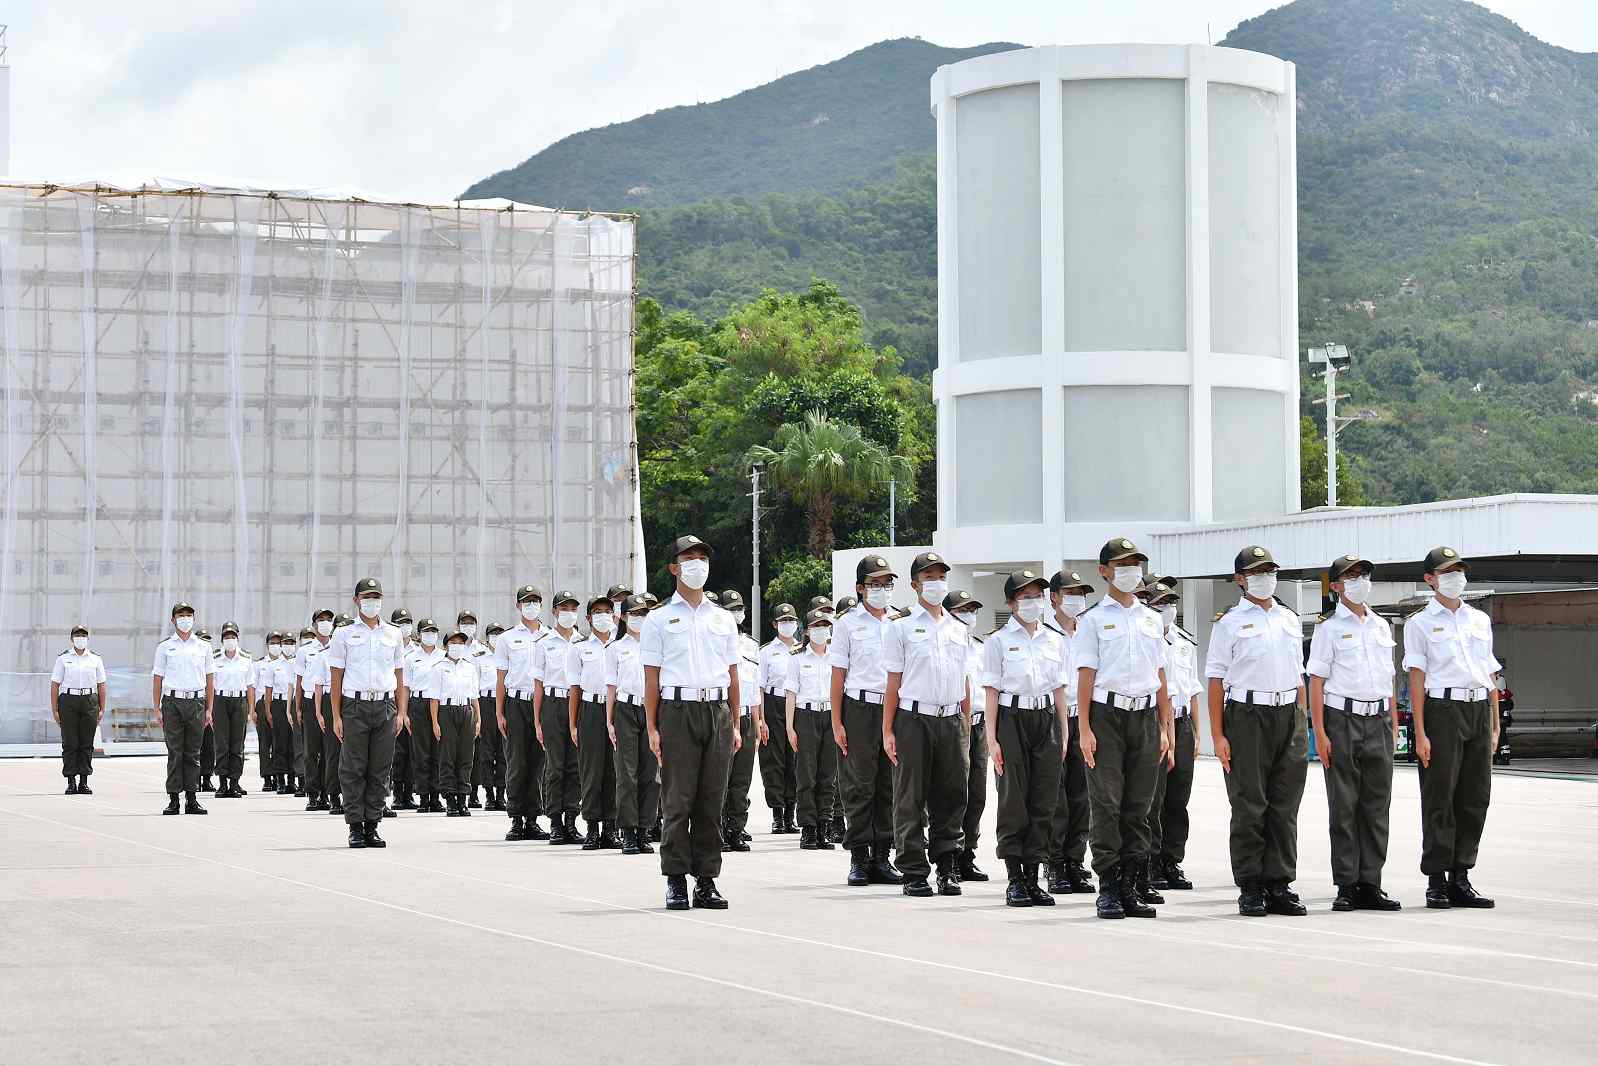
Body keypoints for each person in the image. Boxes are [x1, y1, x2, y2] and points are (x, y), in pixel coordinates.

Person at [1206, 545, 1309, 918]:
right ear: (1240, 579)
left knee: (1284, 804)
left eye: (1269, 570)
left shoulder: (1289, 619)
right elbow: (1216, 680)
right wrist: (1218, 735)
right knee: (1250, 803)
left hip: (1287, 713)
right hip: (1247, 715)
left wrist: (1303, 717)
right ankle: (1251, 885)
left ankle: (1279, 883)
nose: (1265, 577)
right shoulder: (1229, 622)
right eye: (1256, 572)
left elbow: (1299, 674)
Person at [640, 534, 740, 910]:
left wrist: (736, 722)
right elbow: (652, 677)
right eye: (688, 558)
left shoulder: (723, 618)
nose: (697, 564)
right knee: (678, 799)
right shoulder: (659, 619)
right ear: (674, 568)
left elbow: (732, 674)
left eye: (702, 557)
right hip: (677, 711)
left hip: (717, 711)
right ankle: (676, 879)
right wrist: (652, 727)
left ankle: (707, 879)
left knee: (711, 801)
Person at [1076, 539, 1174, 919]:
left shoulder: (1152, 619)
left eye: (1136, 564)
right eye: (1123, 564)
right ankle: (1110, 887)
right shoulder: (1094, 620)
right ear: (1104, 571)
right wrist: (1084, 728)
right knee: (1107, 803)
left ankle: (1133, 885)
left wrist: (1165, 727)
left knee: (1139, 806)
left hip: (1145, 717)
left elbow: (1160, 675)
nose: (1131, 571)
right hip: (1107, 716)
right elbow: (1086, 676)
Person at [1403, 546, 1500, 910]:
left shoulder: (1478, 620)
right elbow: (1417, 679)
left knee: (1475, 797)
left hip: (1477, 707)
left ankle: (1462, 875)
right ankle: (1437, 880)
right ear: (1430, 579)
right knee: (1440, 796)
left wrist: (1493, 724)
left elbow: (1490, 673)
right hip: (1442, 710)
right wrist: (1421, 731)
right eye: (1446, 571)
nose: (1455, 577)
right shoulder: (1420, 624)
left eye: (1458, 569)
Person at [1307, 554, 1402, 912]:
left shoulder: (1381, 625)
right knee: (1345, 805)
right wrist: (1320, 731)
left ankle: (1371, 881)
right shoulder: (1328, 628)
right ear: (1335, 586)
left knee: (1377, 805)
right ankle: (1347, 883)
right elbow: (1316, 681)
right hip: (1342, 720)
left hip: (1377, 719)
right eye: (1350, 576)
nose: (1359, 581)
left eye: (1363, 574)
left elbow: (1388, 679)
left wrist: (1392, 723)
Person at [882, 551, 971, 898]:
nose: (936, 583)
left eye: (940, 576)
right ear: (915, 584)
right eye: (929, 577)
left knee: (951, 796)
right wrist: (888, 729)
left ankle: (947, 867)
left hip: (950, 718)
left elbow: (964, 681)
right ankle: (914, 870)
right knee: (910, 797)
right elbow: (893, 681)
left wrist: (964, 723)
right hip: (913, 718)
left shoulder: (958, 629)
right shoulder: (901, 627)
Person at [981, 571, 1069, 907]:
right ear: (1011, 603)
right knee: (1014, 799)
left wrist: (1062, 732)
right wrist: (992, 740)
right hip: (1011, 719)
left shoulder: (1053, 639)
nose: (1033, 602)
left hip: (1044, 718)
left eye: (1037, 596)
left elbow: (1060, 689)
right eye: (1025, 597)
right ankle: (1015, 878)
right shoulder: (998, 642)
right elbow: (990, 692)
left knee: (1044, 800)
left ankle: (1034, 876)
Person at [830, 554, 904, 887]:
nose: (882, 590)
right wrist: (837, 721)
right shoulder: (847, 623)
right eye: (875, 584)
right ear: (860, 588)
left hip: (894, 709)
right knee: (859, 785)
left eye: (887, 584)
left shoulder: (900, 622)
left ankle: (882, 857)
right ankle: (858, 858)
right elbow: (838, 675)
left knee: (889, 784)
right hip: (858, 709)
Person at [328, 577, 407, 849]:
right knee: (353, 768)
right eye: (366, 597)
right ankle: (355, 826)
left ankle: (373, 824)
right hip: (355, 706)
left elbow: (400, 676)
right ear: (356, 601)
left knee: (380, 768)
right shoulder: (344, 634)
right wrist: (337, 716)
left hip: (385, 705)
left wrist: (400, 713)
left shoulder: (393, 634)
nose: (372, 602)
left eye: (376, 597)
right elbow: (336, 678)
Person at [1144, 583, 1200, 891]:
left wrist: (1196, 731)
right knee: (1154, 798)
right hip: (1155, 722)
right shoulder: (1147, 639)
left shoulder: (1184, 642)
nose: (1168, 608)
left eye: (1171, 602)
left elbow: (1192, 689)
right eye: (1161, 603)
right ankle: (1150, 860)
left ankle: (1171, 859)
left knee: (1179, 798)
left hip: (1183, 722)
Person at [1044, 570, 1095, 896]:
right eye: (1070, 593)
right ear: (1055, 598)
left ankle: (1076, 861)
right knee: (1056, 796)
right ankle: (1055, 863)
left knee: (1083, 796)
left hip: (1084, 719)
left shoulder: (1088, 632)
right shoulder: (1046, 633)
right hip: (1053, 719)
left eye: (1081, 593)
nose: (1077, 599)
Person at [151, 602, 215, 815]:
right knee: (175, 752)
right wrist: (157, 707)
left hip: (196, 702)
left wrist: (209, 709)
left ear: (194, 619)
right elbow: (158, 678)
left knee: (193, 753)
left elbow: (209, 679)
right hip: (172, 702)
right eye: (181, 615)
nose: (185, 619)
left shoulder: (203, 647)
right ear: (173, 620)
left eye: (189, 615)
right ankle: (174, 799)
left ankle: (192, 798)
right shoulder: (165, 646)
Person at [497, 585, 550, 841]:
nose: (531, 606)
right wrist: (499, 713)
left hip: (541, 704)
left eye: (535, 602)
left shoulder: (549, 636)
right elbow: (501, 679)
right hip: (516, 704)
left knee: (538, 762)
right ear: (518, 606)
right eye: (526, 602)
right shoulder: (507, 638)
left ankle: (533, 818)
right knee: (517, 762)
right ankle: (516, 819)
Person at [606, 595, 658, 855]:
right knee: (627, 774)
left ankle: (644, 830)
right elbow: (611, 687)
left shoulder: (656, 645)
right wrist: (609, 720)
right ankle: (627, 831)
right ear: (624, 617)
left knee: (651, 774)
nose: (640, 618)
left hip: (649, 709)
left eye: (644, 614)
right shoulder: (615, 649)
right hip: (625, 710)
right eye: (635, 614)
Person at [783, 609, 838, 851]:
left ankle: (824, 825)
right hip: (805, 716)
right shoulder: (797, 657)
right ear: (806, 631)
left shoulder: (836, 655)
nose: (821, 630)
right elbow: (791, 693)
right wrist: (789, 727)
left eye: (825, 625)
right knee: (806, 774)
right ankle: (808, 827)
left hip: (829, 714)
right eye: (816, 626)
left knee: (828, 775)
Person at [946, 590, 990, 883]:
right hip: (955, 723)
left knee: (977, 793)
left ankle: (968, 854)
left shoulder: (981, 647)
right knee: (953, 792)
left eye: (972, 609)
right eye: (963, 610)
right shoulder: (946, 645)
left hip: (980, 723)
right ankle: (950, 852)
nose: (969, 615)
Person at [569, 594, 620, 849]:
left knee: (612, 769)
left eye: (607, 611)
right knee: (590, 770)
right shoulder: (579, 648)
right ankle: (591, 826)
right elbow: (575, 690)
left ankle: (610, 828)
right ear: (588, 618)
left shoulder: (619, 646)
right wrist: (573, 724)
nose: (603, 616)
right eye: (597, 611)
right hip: (589, 709)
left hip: (616, 709)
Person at [535, 590, 585, 845]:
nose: (569, 614)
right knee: (555, 765)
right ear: (554, 612)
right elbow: (538, 686)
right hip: (553, 704)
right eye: (564, 609)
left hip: (576, 702)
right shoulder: (544, 643)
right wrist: (537, 721)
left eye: (573, 609)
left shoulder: (582, 642)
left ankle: (571, 820)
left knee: (575, 765)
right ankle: (555, 820)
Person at [720, 589, 759, 852]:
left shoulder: (751, 644)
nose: (737, 613)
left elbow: (754, 688)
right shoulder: (717, 640)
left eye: (739, 608)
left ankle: (736, 827)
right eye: (731, 609)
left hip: (745, 715)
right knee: (722, 776)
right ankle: (719, 828)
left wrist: (757, 724)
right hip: (724, 714)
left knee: (742, 778)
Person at [427, 630, 481, 817]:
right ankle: (450, 798)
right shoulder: (438, 667)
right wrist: (435, 722)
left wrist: (478, 719)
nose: (457, 646)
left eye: (461, 643)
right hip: (446, 711)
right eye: (453, 643)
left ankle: (463, 799)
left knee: (466, 756)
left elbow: (474, 697)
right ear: (446, 646)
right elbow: (433, 699)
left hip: (466, 711)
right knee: (448, 756)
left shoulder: (470, 668)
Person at [758, 603, 801, 835]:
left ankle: (790, 814)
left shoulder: (802, 649)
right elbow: (761, 689)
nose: (787, 625)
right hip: (773, 706)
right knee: (773, 761)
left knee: (794, 760)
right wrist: (762, 720)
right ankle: (777, 815)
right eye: (783, 621)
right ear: (775, 624)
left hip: (795, 705)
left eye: (791, 620)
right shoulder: (766, 652)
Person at [51, 625, 107, 795]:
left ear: (88, 639)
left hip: (89, 700)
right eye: (77, 635)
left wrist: (102, 708)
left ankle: (84, 781)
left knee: (86, 743)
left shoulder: (95, 659)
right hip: (68, 700)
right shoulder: (63, 659)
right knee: (70, 742)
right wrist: (55, 709)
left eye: (83, 635)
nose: (80, 638)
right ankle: (70, 781)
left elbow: (101, 684)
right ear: (71, 639)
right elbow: (55, 685)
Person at [405, 619, 447, 813]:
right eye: (426, 631)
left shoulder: (444, 656)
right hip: (418, 704)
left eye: (433, 631)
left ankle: (436, 796)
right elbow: (405, 687)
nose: (430, 635)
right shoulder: (412, 657)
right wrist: (404, 712)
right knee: (421, 752)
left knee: (438, 751)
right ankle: (423, 796)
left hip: (439, 704)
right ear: (419, 634)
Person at [209, 623, 256, 798]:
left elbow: (251, 685)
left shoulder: (245, 658)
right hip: (220, 701)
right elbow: (210, 685)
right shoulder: (215, 657)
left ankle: (235, 782)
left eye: (233, 637)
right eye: (227, 637)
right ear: (222, 639)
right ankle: (222, 783)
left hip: (239, 700)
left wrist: (251, 709)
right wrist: (210, 708)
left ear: (237, 638)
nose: (230, 640)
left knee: (237, 744)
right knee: (221, 743)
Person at [294, 609, 334, 811]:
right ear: (314, 625)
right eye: (321, 620)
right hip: (310, 703)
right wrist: (298, 707)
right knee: (311, 750)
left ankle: (327, 793)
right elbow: (299, 680)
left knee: (329, 750)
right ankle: (312, 793)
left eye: (328, 620)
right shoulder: (305, 650)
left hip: (329, 701)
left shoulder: (337, 648)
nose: (325, 623)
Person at [263, 630, 303, 795]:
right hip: (278, 704)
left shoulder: (298, 663)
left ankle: (292, 780)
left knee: (294, 743)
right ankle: (280, 778)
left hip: (293, 702)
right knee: (280, 742)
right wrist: (268, 711)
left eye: (291, 643)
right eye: (285, 644)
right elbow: (268, 690)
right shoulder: (273, 665)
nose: (288, 647)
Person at [474, 621, 507, 811]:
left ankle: (501, 794)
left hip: (502, 701)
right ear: (487, 638)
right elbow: (475, 685)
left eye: (499, 634)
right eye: (493, 634)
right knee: (486, 752)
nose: (496, 637)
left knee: (502, 750)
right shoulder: (480, 657)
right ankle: (488, 794)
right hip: (485, 702)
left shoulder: (508, 653)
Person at [389, 608, 416, 811]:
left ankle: (409, 793)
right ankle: (397, 793)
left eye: (407, 622)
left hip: (414, 702)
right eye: (400, 623)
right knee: (397, 752)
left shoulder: (417, 650)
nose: (405, 627)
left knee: (413, 751)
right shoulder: (390, 646)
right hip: (393, 699)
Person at [253, 633, 279, 793]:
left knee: (280, 742)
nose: (276, 645)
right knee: (265, 742)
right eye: (272, 643)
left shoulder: (286, 663)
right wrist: (254, 710)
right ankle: (267, 777)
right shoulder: (259, 664)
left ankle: (279, 774)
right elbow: (254, 687)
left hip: (280, 702)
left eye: (278, 642)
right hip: (263, 703)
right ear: (267, 645)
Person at [195, 628, 217, 794]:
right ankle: (194, 778)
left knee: (209, 744)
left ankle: (207, 777)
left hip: (211, 702)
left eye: (208, 639)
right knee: (195, 743)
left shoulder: (214, 659)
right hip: (194, 701)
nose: (206, 643)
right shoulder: (192, 658)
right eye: (203, 639)